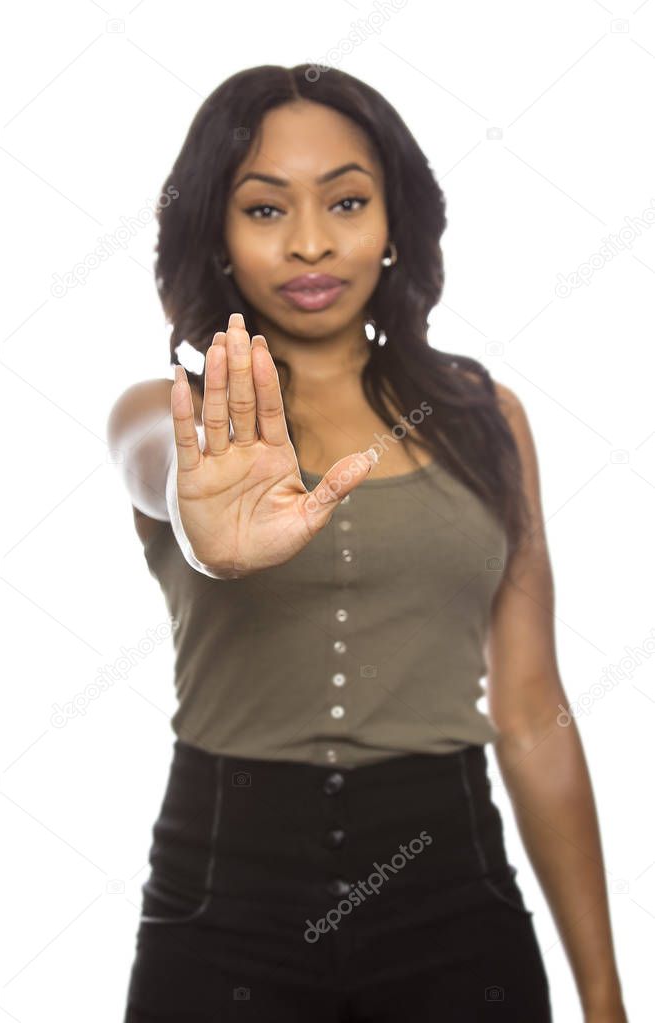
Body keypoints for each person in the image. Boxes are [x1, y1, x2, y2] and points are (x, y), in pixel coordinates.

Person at [108, 65, 627, 1021]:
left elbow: (531, 708)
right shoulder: (169, 417)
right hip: (221, 897)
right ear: (216, 235)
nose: (311, 242)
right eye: (264, 210)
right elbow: (156, 473)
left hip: (454, 893)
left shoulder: (485, 415)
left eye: (346, 201)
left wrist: (604, 993)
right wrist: (201, 525)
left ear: (395, 219)